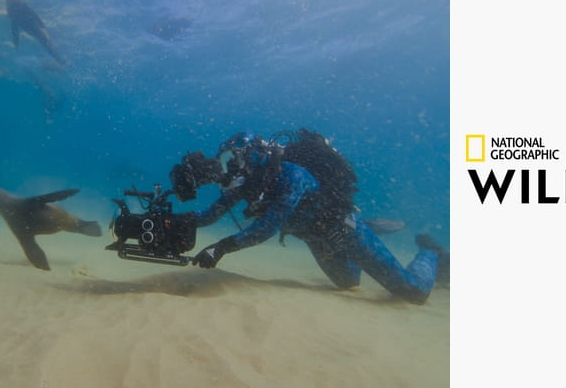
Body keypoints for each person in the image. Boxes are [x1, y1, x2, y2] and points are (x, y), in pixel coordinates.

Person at [185, 129, 449, 304]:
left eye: (236, 158)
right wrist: (170, 219)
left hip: (347, 232)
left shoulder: (292, 175)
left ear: (254, 154)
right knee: (348, 284)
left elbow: (267, 228)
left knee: (412, 293)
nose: (232, 166)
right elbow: (209, 215)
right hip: (316, 241)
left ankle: (430, 252)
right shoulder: (246, 184)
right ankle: (373, 228)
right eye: (229, 159)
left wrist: (221, 247)